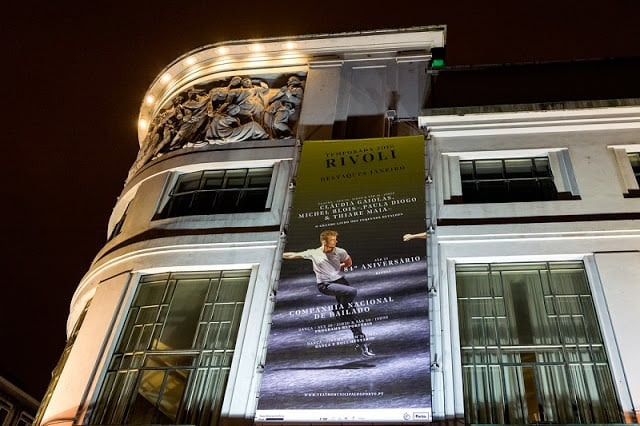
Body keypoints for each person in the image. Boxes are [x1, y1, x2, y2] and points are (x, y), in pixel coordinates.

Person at [283, 230, 375, 357]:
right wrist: (277, 254)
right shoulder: (314, 253)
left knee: (352, 316)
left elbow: (349, 263)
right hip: (326, 285)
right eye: (332, 240)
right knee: (352, 292)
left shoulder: (340, 251)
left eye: (335, 239)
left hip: (341, 282)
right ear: (323, 241)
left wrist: (336, 267)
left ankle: (361, 343)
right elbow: (292, 255)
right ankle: (340, 310)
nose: (335, 242)